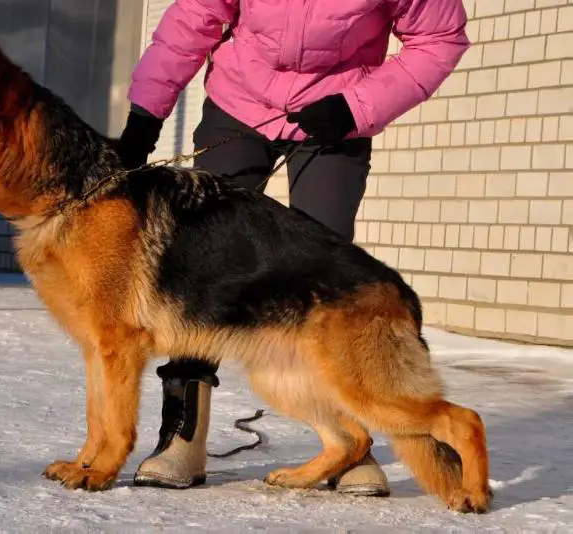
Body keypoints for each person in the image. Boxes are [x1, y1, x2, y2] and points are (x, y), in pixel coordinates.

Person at [115, 0, 470, 495]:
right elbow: (191, 22)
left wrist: (357, 106)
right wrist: (144, 118)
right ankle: (183, 437)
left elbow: (440, 39)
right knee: (197, 268)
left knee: (331, 280)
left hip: (337, 110)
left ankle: (350, 443)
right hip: (240, 103)